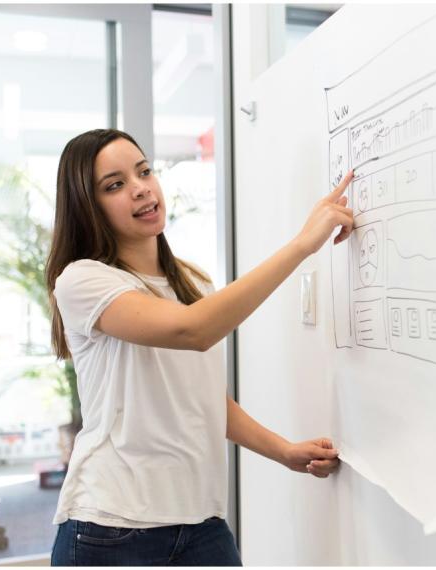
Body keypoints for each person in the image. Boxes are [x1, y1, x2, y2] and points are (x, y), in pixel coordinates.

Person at [45, 128, 354, 566]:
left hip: (201, 523)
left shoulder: (191, 284)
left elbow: (202, 400)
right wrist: (304, 244)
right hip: (111, 528)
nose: (140, 189)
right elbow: (194, 331)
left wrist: (283, 451)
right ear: (88, 207)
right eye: (114, 185)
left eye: (144, 171)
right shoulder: (83, 280)